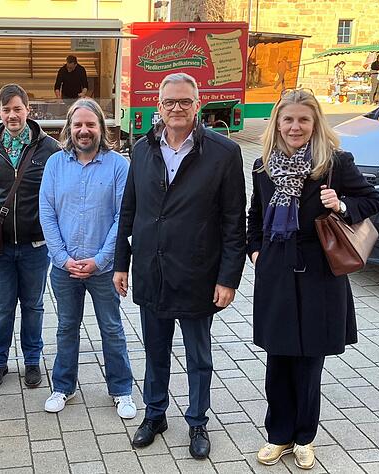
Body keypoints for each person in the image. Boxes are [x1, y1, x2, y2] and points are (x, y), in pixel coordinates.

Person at [247, 89, 379, 470]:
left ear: (315, 123)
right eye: (287, 119)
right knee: (278, 359)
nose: (295, 127)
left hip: (319, 273)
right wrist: (256, 252)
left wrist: (339, 204)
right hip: (275, 272)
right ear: (277, 123)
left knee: (309, 363)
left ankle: (304, 437)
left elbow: (372, 201)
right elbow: (254, 215)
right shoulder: (263, 166)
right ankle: (278, 435)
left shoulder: (334, 163)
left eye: (303, 120)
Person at [113, 73, 247, 459]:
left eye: (185, 101)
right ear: (158, 106)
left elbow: (233, 220)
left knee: (197, 356)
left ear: (198, 104)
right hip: (152, 271)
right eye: (169, 102)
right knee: (155, 350)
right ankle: (155, 415)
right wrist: (122, 263)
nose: (177, 108)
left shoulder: (223, 153)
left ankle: (198, 421)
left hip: (198, 274)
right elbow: (129, 210)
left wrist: (228, 278)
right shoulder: (142, 149)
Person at [38, 98, 136, 419]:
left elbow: (123, 217)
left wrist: (101, 259)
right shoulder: (55, 164)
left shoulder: (119, 166)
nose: (84, 130)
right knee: (66, 327)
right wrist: (63, 258)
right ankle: (63, 386)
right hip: (64, 268)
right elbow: (47, 214)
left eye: (90, 124)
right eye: (78, 124)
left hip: (103, 267)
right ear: (69, 128)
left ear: (101, 128)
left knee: (111, 327)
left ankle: (121, 390)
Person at [0, 83, 61, 389]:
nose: (12, 115)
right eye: (6, 109)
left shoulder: (47, 147)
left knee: (33, 306)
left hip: (36, 244)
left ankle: (32, 360)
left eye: (17, 109)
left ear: (28, 110)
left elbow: (54, 192)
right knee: (0, 306)